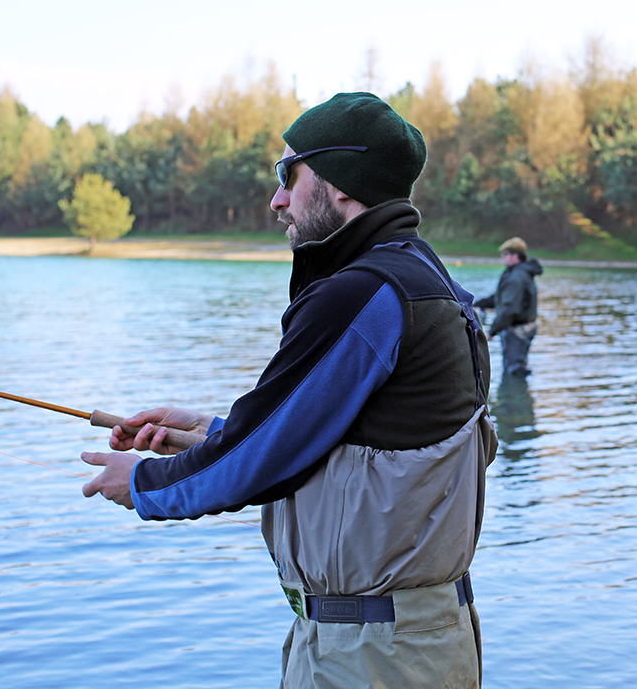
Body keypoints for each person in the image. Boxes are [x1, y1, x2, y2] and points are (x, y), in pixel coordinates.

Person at [80, 92, 496, 689]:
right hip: (413, 641)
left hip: (373, 656)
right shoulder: (422, 277)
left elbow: (256, 462)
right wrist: (204, 432)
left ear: (342, 183)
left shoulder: (364, 293)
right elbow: (347, 446)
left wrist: (142, 483)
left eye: (289, 174)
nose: (276, 198)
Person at [474, 237, 542, 377]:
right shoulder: (522, 273)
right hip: (525, 327)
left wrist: (491, 332)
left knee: (514, 370)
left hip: (517, 330)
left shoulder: (516, 277)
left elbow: (510, 309)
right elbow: (501, 298)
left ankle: (515, 397)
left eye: (505, 254)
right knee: (517, 366)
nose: (502, 257)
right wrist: (477, 304)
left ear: (515, 256)